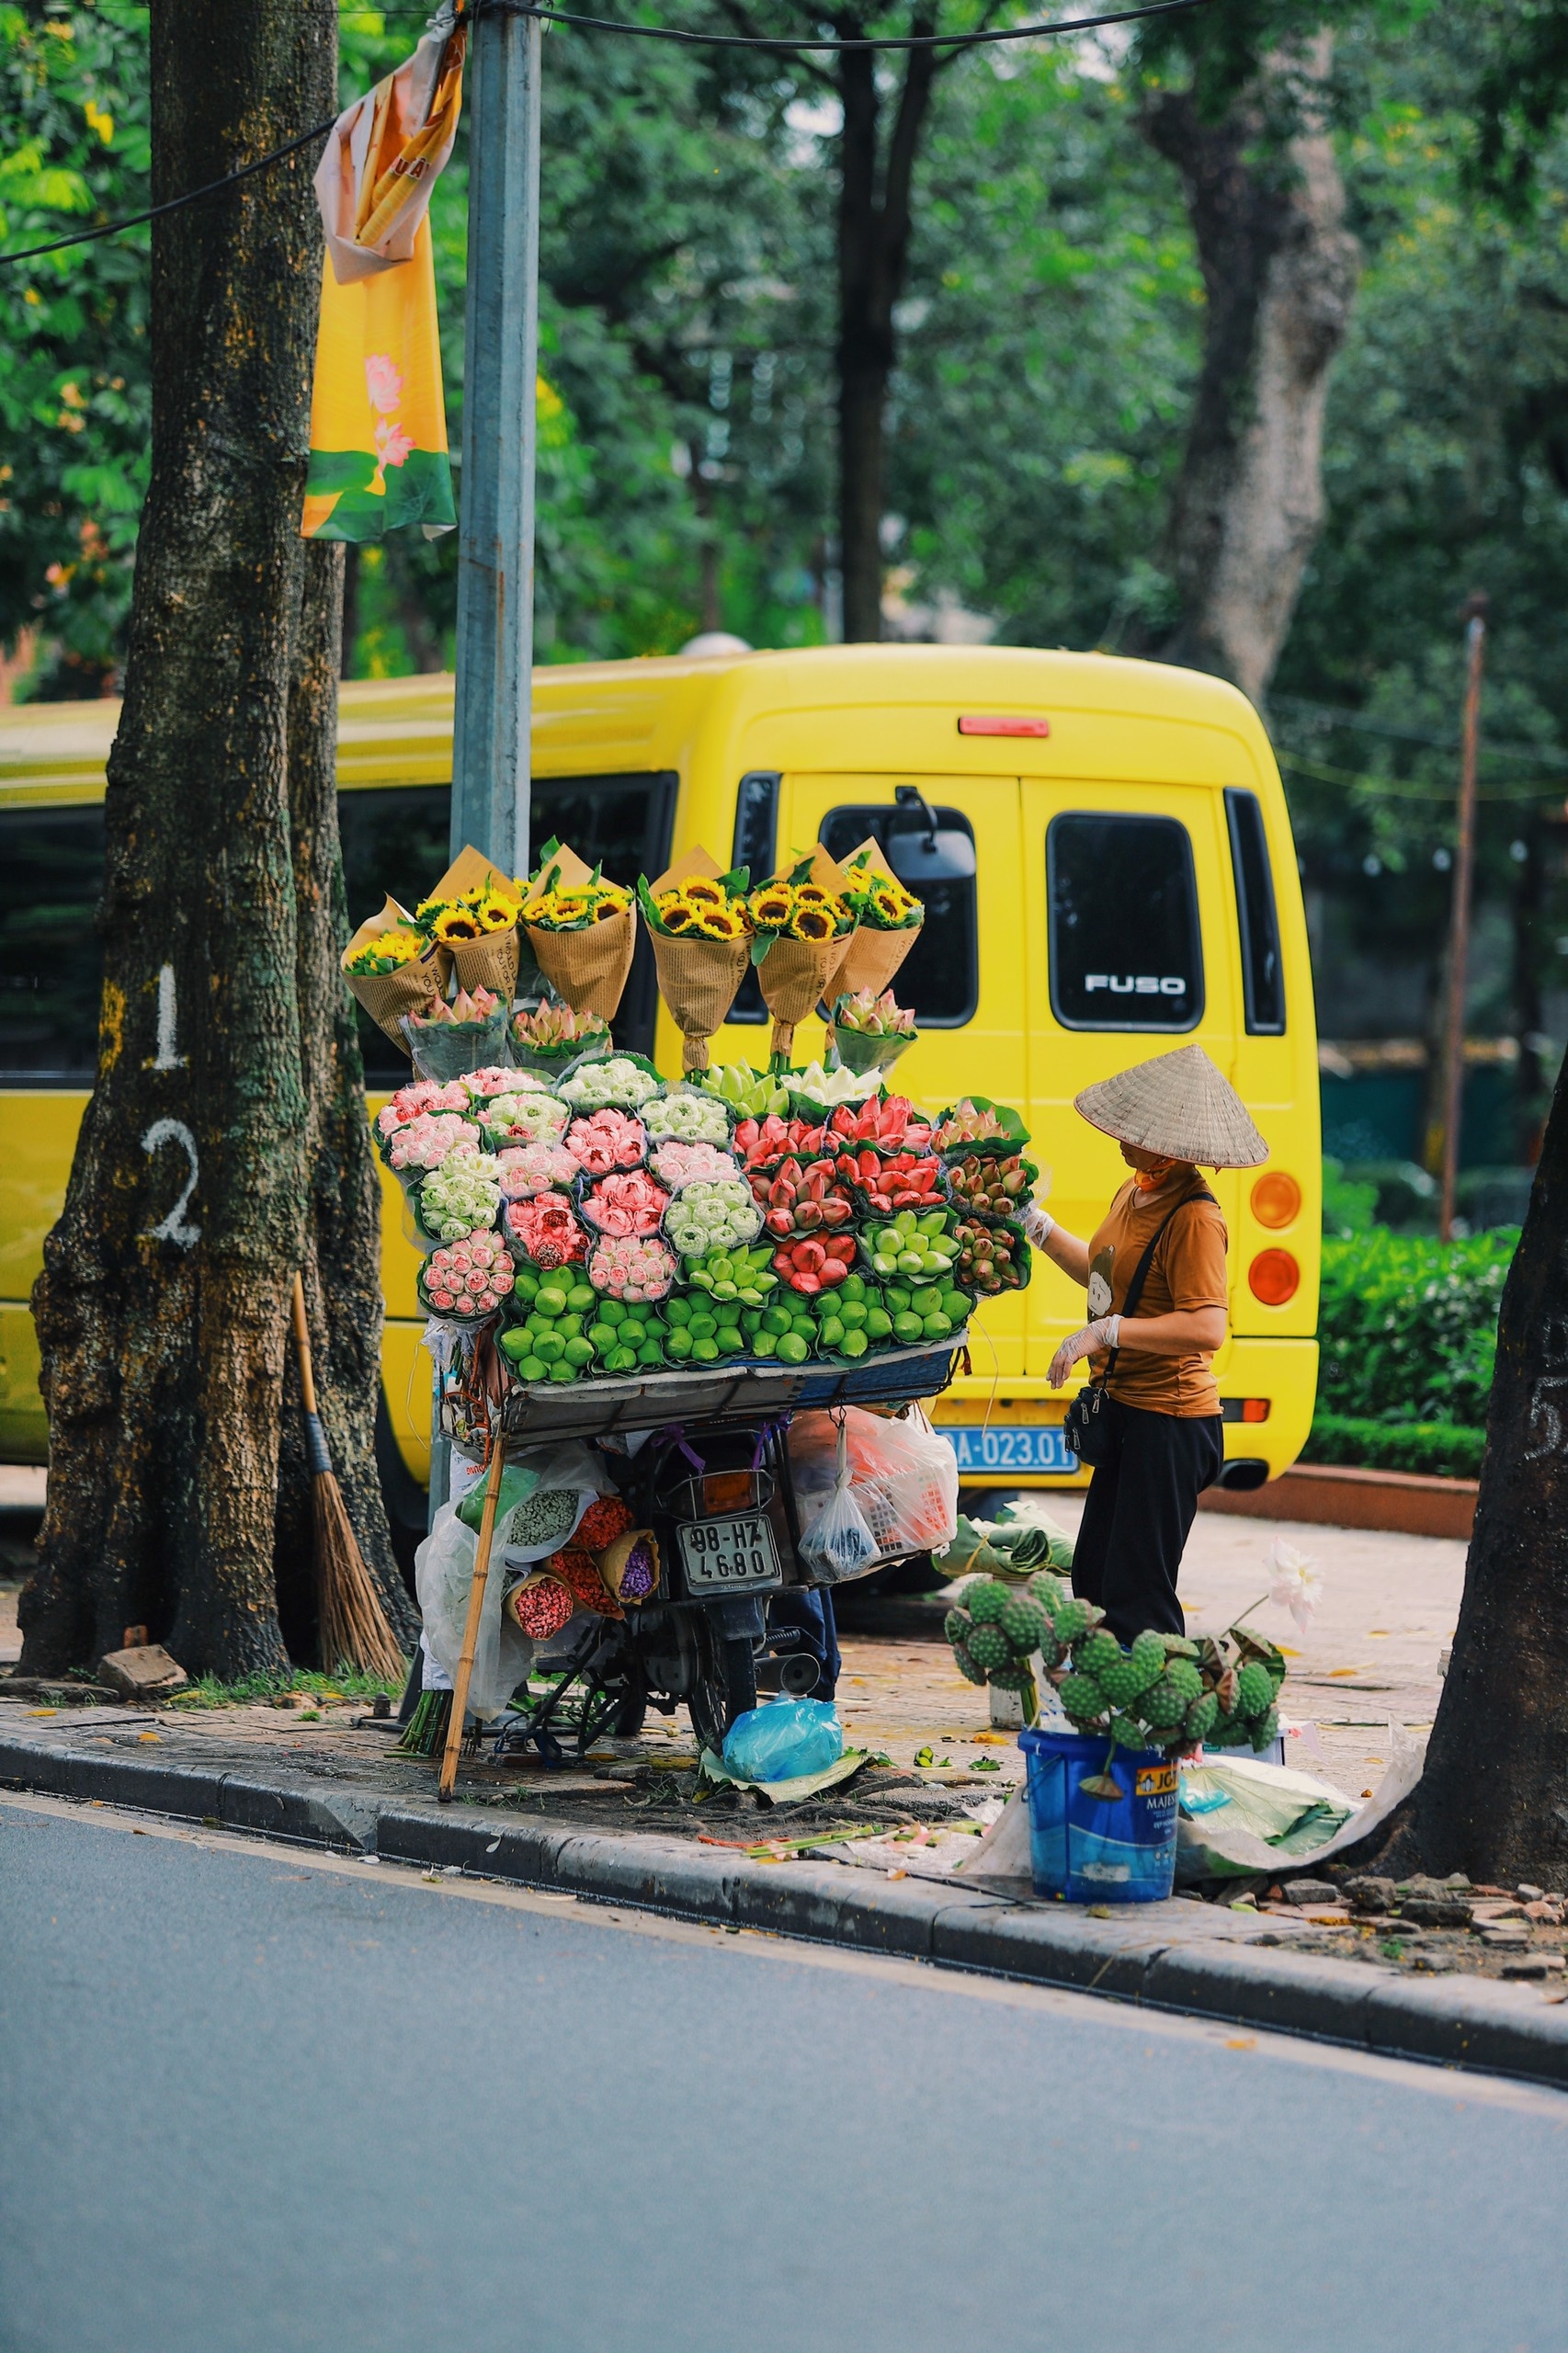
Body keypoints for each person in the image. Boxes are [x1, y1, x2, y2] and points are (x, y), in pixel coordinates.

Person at [1021, 1043, 1267, 1644]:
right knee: (1095, 1580)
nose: (1123, 1136)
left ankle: (1164, 1725)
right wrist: (1035, 1224)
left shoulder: (1195, 1219)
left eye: (1139, 1130)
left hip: (1172, 1423)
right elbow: (1105, 1277)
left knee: (1137, 1593)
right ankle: (1106, 1716)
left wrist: (1105, 1332)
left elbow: (1206, 1327)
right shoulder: (1133, 1192)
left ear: (1174, 1145)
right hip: (1127, 1412)